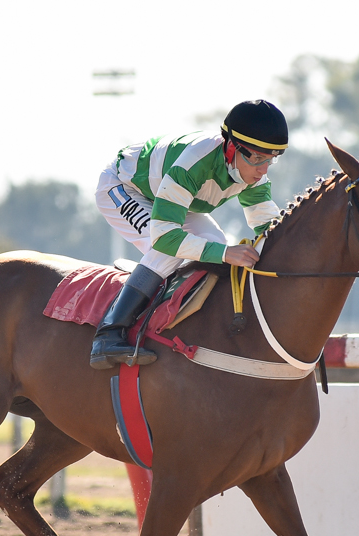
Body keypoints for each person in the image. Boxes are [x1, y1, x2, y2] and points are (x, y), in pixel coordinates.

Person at [90, 99, 288, 369]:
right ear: (232, 147)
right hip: (124, 187)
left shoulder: (253, 175)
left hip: (171, 198)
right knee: (170, 250)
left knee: (215, 244)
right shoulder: (195, 162)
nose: (263, 169)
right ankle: (109, 333)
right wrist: (227, 253)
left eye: (271, 159)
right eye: (256, 158)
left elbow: (270, 228)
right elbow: (165, 238)